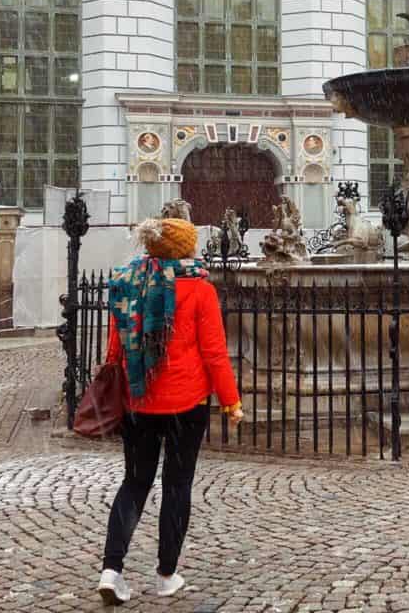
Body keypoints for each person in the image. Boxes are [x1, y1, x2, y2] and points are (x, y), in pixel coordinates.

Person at [98, 215, 243, 606]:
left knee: (134, 483)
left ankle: (111, 570)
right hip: (186, 403)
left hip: (138, 400)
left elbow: (116, 344)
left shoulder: (128, 282)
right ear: (186, 248)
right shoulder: (199, 289)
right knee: (176, 486)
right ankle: (166, 575)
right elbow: (213, 351)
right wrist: (231, 400)